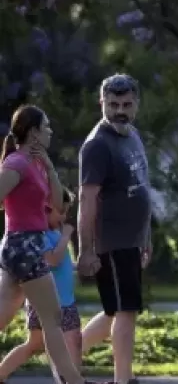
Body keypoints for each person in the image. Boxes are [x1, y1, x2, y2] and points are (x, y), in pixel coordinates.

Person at [0, 105, 97, 384]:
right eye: (47, 127)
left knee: (5, 314)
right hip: (23, 246)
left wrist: (50, 165)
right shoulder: (17, 163)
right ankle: (73, 380)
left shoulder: (36, 164)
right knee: (52, 317)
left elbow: (56, 203)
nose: (51, 131)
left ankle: (70, 378)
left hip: (24, 246)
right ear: (33, 132)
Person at [76, 74, 152, 384]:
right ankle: (123, 380)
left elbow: (141, 186)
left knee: (113, 312)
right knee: (126, 310)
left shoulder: (131, 134)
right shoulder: (97, 144)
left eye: (127, 104)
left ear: (136, 104)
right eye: (113, 104)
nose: (120, 110)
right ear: (102, 103)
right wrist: (86, 249)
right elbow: (87, 198)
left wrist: (146, 237)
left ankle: (64, 355)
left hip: (132, 240)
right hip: (113, 241)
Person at [0, 189, 81, 382]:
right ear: (45, 208)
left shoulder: (54, 232)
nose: (64, 217)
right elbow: (52, 259)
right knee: (71, 344)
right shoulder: (38, 235)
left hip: (65, 300)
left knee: (36, 345)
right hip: (48, 303)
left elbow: (60, 263)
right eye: (60, 211)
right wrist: (66, 237)